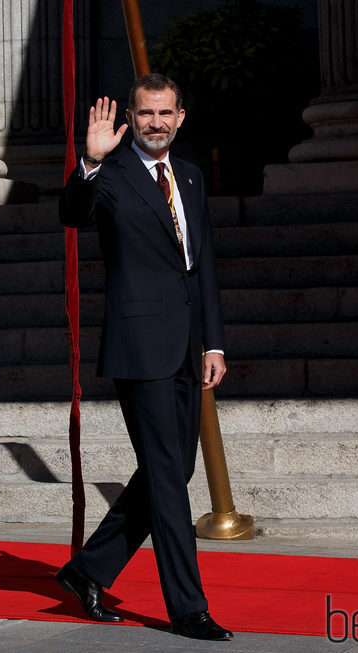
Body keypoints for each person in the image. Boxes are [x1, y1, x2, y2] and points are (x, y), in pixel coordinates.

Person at [55, 73, 232, 642]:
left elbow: (200, 264)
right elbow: (71, 215)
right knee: (170, 480)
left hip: (186, 345)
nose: (156, 123)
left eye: (166, 114)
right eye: (146, 114)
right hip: (139, 347)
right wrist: (89, 161)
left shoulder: (191, 176)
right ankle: (188, 607)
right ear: (130, 118)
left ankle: (88, 570)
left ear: (181, 117)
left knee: (172, 470)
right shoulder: (110, 173)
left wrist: (212, 341)